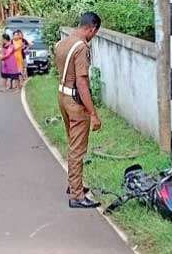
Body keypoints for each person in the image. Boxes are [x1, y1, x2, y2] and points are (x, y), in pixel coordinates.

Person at [55, 12, 102, 208]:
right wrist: (93, 113)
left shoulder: (63, 43)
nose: (94, 36)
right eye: (95, 32)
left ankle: (74, 185)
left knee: (72, 144)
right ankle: (77, 196)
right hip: (75, 101)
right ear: (91, 28)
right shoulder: (81, 47)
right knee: (77, 149)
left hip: (62, 96)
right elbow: (82, 82)